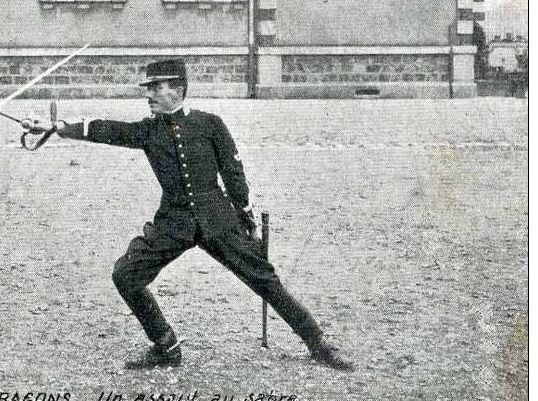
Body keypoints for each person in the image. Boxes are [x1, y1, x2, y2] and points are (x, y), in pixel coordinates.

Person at [22, 59, 354, 371]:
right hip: (174, 222)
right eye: (148, 87)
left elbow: (234, 175)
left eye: (156, 86)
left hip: (218, 219)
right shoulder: (148, 131)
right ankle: (165, 346)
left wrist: (248, 219)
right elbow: (108, 129)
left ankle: (318, 343)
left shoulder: (210, 124)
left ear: (178, 89)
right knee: (126, 275)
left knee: (264, 278)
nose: (148, 94)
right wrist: (55, 127)